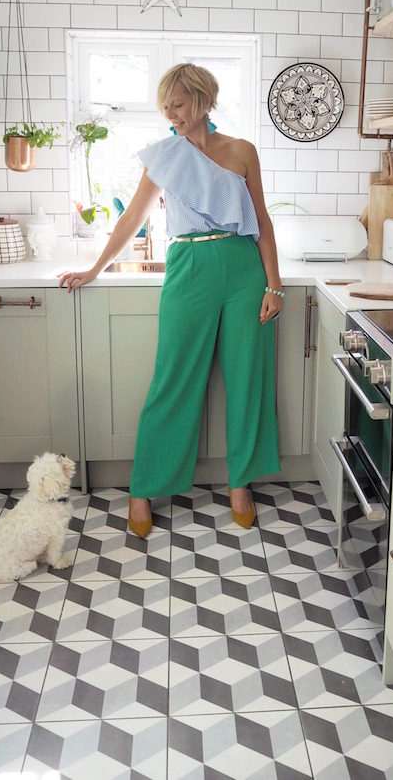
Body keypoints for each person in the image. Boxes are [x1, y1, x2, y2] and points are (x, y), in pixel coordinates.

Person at [59, 63, 283, 537]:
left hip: (243, 270)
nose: (170, 113)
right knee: (173, 381)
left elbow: (261, 221)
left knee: (248, 380)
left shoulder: (242, 151)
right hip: (189, 268)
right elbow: (131, 220)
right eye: (165, 105)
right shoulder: (164, 157)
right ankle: (142, 489)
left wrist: (274, 284)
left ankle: (239, 484)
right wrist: (94, 269)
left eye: (177, 104)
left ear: (202, 101)